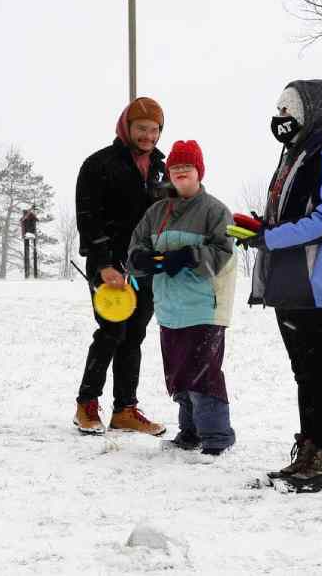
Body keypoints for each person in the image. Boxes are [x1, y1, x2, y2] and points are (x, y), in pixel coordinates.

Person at [247, 79, 322, 492]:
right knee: (304, 372)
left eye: (288, 110)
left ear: (312, 112)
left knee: (319, 371)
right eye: (278, 110)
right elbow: (290, 213)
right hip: (289, 279)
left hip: (314, 281)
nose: (280, 119)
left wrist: (271, 237)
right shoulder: (294, 156)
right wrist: (261, 228)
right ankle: (309, 448)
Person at [127, 140, 237, 456]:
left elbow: (223, 253)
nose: (180, 175)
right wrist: (144, 260)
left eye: (186, 169)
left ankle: (217, 435)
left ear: (198, 172)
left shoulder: (215, 211)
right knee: (179, 374)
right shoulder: (157, 212)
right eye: (175, 170)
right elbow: (135, 249)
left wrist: (188, 257)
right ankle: (190, 431)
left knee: (203, 373)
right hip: (169, 308)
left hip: (205, 306)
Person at [73, 96, 169, 436]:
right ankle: (86, 404)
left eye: (154, 130)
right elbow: (88, 218)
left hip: (144, 265)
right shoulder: (99, 164)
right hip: (110, 264)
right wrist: (102, 264)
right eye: (141, 129)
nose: (148, 136)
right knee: (112, 332)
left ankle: (125, 409)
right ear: (126, 127)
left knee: (135, 336)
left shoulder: (161, 166)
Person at [20, 207, 39, 279]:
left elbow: (33, 219)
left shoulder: (29, 218)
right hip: (27, 233)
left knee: (32, 253)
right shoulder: (24, 219)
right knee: (26, 254)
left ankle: (33, 276)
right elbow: (23, 219)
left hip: (30, 233)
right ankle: (27, 276)